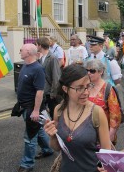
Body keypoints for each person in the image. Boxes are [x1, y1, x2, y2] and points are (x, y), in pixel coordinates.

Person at [44, 64, 111, 171]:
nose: (86, 92)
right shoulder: (58, 110)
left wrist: (105, 167)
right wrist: (52, 136)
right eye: (79, 88)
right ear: (65, 89)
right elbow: (56, 147)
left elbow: (107, 152)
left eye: (88, 86)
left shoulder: (97, 112)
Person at [17, 44, 54, 172]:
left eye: (21, 50)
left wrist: (36, 110)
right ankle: (48, 149)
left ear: (28, 52)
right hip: (24, 106)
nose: (19, 52)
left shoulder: (38, 69)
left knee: (30, 136)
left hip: (32, 108)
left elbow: (40, 91)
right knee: (38, 130)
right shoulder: (25, 65)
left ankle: (27, 164)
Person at [85, 59, 122, 145]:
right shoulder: (85, 86)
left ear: (101, 72)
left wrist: (109, 137)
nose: (88, 73)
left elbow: (115, 116)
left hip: (102, 134)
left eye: (92, 71)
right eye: (87, 70)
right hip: (86, 134)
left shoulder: (108, 89)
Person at [36, 37, 61, 120]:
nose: (36, 47)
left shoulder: (52, 58)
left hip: (50, 93)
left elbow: (56, 77)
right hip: (43, 92)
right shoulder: (40, 58)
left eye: (36, 45)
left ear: (40, 46)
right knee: (43, 117)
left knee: (53, 116)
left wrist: (53, 93)